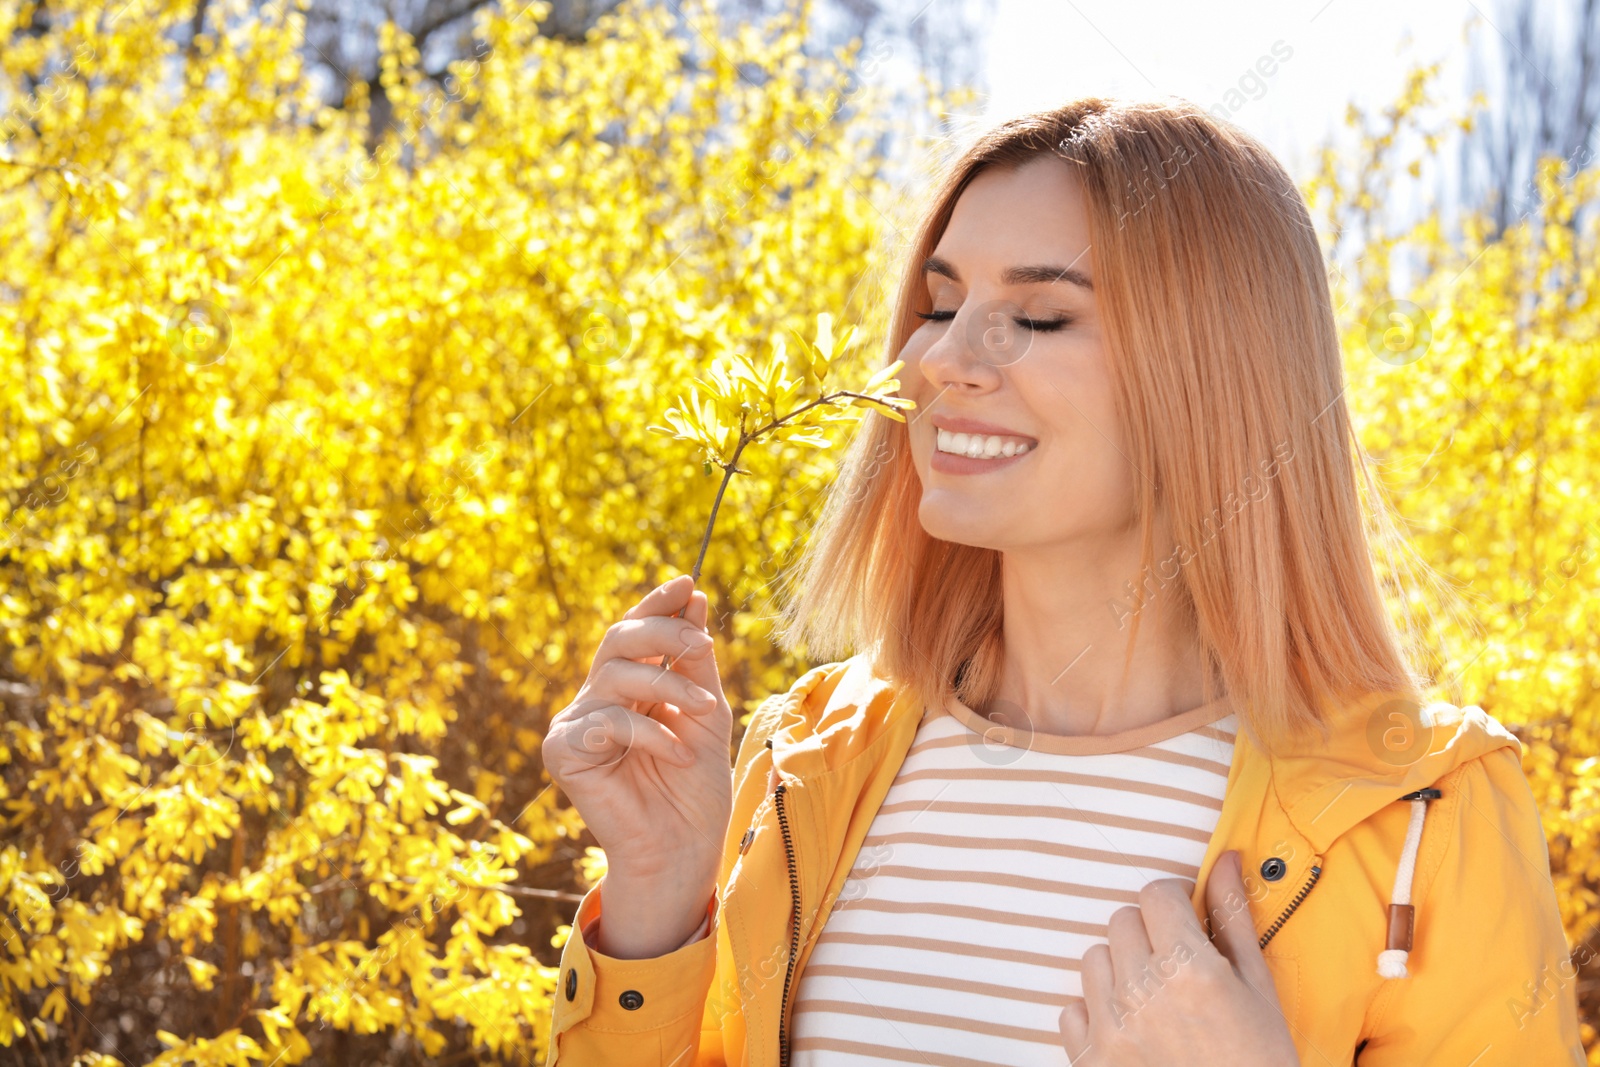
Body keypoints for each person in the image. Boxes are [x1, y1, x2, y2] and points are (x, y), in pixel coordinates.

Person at [539, 97, 1585, 1066]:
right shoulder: (805, 758)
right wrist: (657, 900)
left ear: (1215, 375)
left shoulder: (1422, 814)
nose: (944, 359)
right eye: (940, 304)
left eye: (1037, 317)